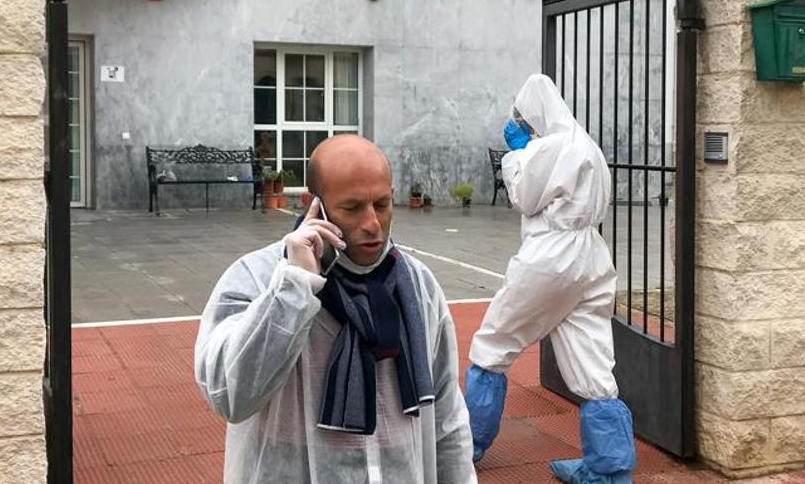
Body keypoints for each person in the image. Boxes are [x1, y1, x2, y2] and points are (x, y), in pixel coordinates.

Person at [194, 135, 476, 484]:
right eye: (353, 208)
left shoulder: (417, 285)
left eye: (383, 204)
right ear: (315, 205)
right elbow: (230, 396)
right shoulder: (257, 277)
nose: (373, 223)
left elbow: (446, 415)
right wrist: (294, 288)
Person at [464, 75, 635, 484]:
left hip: (552, 254)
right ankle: (608, 470)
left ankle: (464, 446)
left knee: (493, 343)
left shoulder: (550, 146)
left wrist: (517, 154)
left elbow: (524, 196)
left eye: (522, 117)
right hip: (591, 254)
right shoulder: (585, 144)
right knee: (592, 361)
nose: (519, 124)